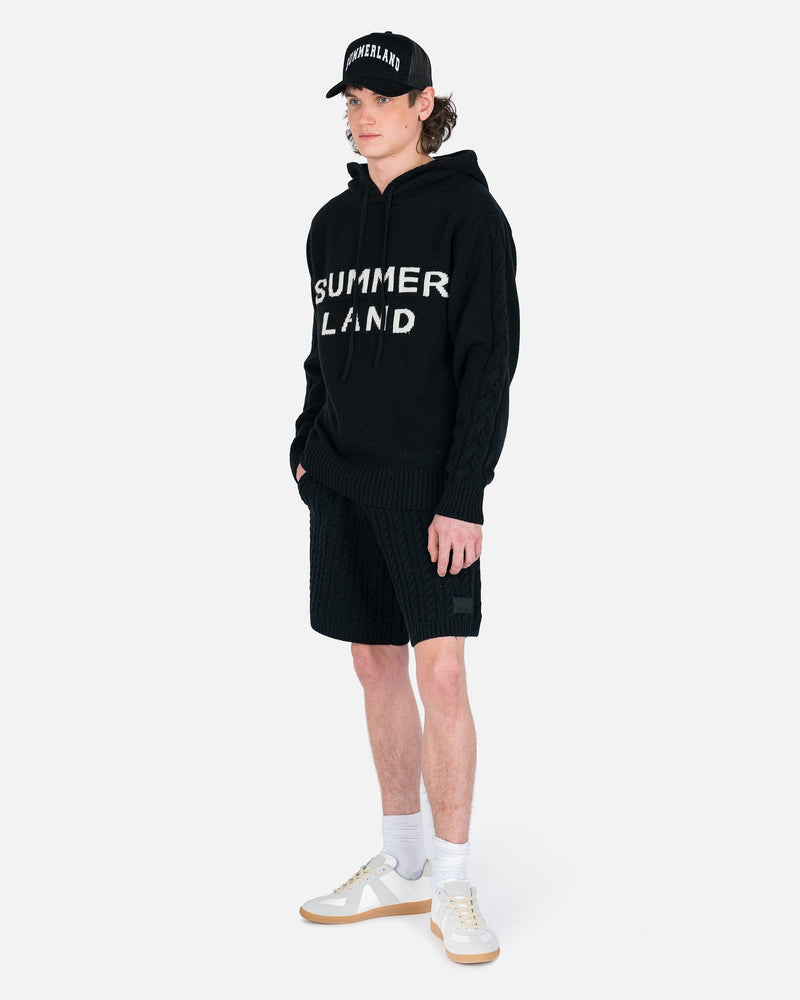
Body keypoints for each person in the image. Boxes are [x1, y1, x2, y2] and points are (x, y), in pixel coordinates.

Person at [290, 30, 519, 965]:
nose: (362, 116)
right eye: (351, 101)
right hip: (342, 479)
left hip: (431, 492)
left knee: (443, 673)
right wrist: (304, 449)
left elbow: (488, 364)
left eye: (379, 100)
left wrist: (465, 493)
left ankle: (453, 882)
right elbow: (323, 351)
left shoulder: (471, 218)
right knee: (374, 666)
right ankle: (404, 864)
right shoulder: (330, 225)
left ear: (425, 104)